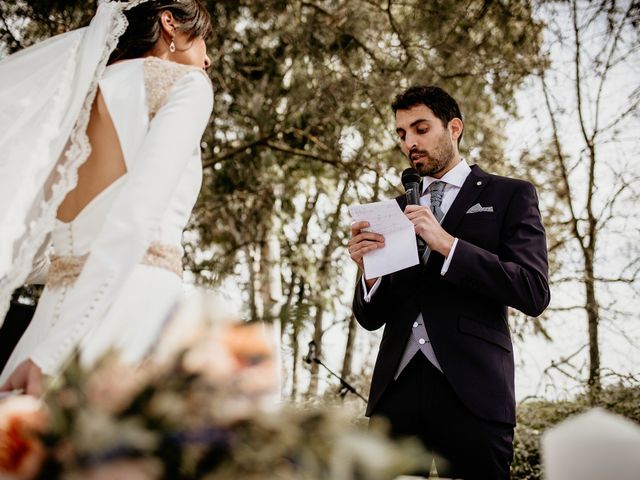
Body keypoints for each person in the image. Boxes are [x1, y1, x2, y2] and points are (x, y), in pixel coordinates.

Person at [0, 0, 214, 396]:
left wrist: (51, 341)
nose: (208, 58)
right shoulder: (187, 86)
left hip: (51, 314)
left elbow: (36, 249)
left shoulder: (71, 98)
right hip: (133, 310)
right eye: (202, 38)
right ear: (170, 24)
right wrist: (56, 352)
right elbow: (135, 219)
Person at [348, 85, 550, 479]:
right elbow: (371, 318)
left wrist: (447, 244)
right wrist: (368, 271)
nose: (410, 143)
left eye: (420, 129)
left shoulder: (509, 195)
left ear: (454, 127)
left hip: (475, 394)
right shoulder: (392, 210)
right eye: (402, 134)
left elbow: (532, 290)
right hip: (396, 396)